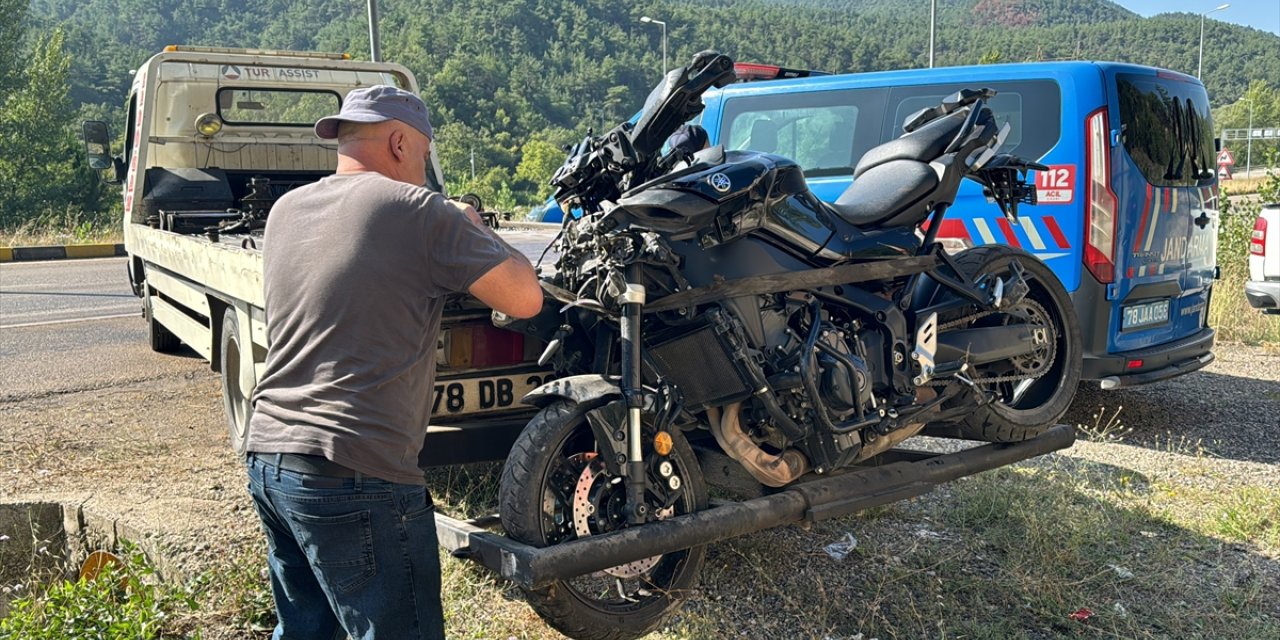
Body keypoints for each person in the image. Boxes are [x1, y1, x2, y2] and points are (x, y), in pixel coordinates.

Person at [243, 85, 543, 640]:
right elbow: (524, 298)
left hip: (270, 456)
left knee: (308, 632)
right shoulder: (418, 210)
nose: (425, 171)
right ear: (401, 142)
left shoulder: (287, 209)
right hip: (357, 469)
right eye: (425, 157)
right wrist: (471, 223)